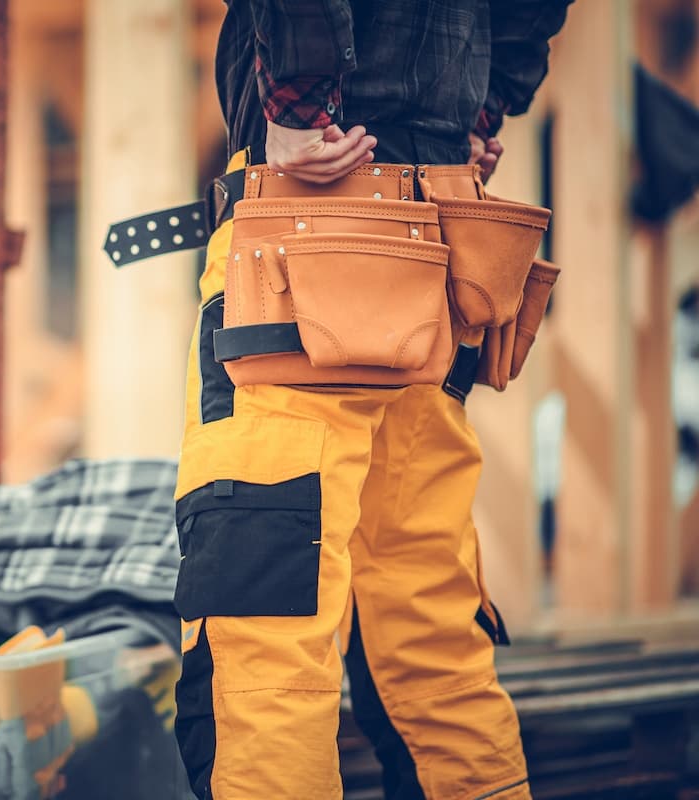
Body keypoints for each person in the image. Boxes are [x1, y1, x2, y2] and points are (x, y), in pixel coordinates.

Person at [171, 3, 573, 799]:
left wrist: (299, 106)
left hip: (304, 221)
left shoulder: (304, 125)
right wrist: (480, 105)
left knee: (268, 617)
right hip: (439, 228)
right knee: (428, 622)